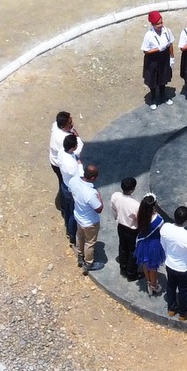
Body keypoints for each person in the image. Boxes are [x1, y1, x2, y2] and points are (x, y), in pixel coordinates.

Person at [160, 204, 187, 319]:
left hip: (170, 263)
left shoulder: (165, 227)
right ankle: (183, 314)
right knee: (183, 290)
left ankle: (172, 309)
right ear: (186, 220)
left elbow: (163, 243)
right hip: (184, 268)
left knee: (171, 286)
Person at [49, 111, 78, 246]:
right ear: (63, 126)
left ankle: (63, 203)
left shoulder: (56, 126)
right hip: (58, 165)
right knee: (64, 183)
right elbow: (73, 151)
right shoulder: (63, 140)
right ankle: (63, 205)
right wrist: (75, 137)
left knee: (61, 183)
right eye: (70, 123)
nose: (72, 124)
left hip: (54, 161)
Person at [68, 161, 103, 271]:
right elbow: (99, 209)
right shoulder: (91, 193)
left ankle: (80, 255)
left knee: (80, 236)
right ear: (92, 178)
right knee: (90, 242)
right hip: (90, 222)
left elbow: (71, 192)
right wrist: (99, 196)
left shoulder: (74, 181)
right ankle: (88, 263)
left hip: (78, 216)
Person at [111, 177, 145, 282]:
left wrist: (117, 217)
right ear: (133, 189)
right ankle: (131, 273)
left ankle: (123, 267)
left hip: (120, 227)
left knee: (122, 247)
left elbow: (114, 209)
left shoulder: (115, 196)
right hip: (132, 230)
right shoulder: (135, 204)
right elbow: (139, 219)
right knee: (132, 251)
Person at [134, 196, 168, 297]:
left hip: (143, 243)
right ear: (153, 207)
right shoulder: (159, 219)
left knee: (145, 263)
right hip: (154, 244)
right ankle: (154, 286)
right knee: (153, 267)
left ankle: (149, 282)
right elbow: (162, 233)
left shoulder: (140, 215)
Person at [141, 10, 175, 108]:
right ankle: (153, 99)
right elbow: (146, 51)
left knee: (163, 78)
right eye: (157, 24)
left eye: (161, 23)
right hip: (153, 60)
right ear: (152, 24)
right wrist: (158, 49)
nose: (160, 25)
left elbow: (170, 44)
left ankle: (163, 96)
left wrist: (172, 57)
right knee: (153, 80)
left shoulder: (167, 31)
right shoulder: (149, 35)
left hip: (164, 58)